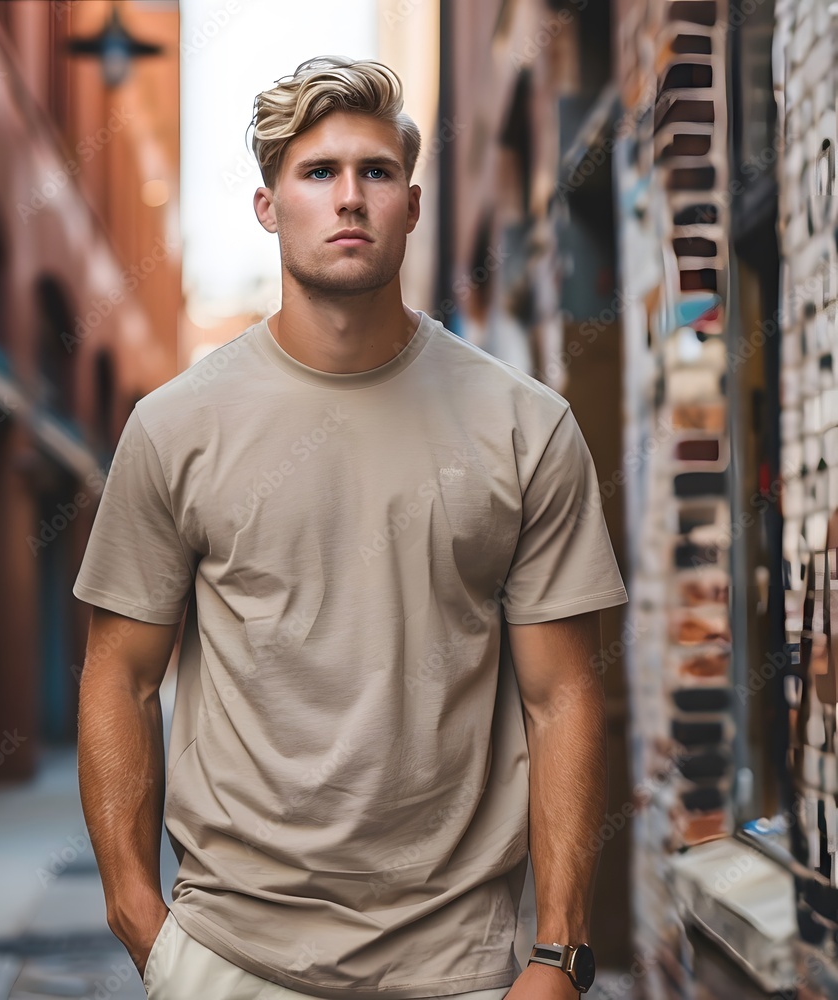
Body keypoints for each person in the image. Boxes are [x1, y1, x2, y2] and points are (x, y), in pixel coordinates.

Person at [73, 55, 628, 1000]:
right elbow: (119, 675)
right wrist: (141, 919)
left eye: (375, 173)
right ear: (267, 205)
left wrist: (560, 952)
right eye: (317, 173)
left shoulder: (524, 427)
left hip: (459, 968)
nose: (349, 199)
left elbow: (563, 697)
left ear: (412, 206)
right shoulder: (175, 426)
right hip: (228, 959)